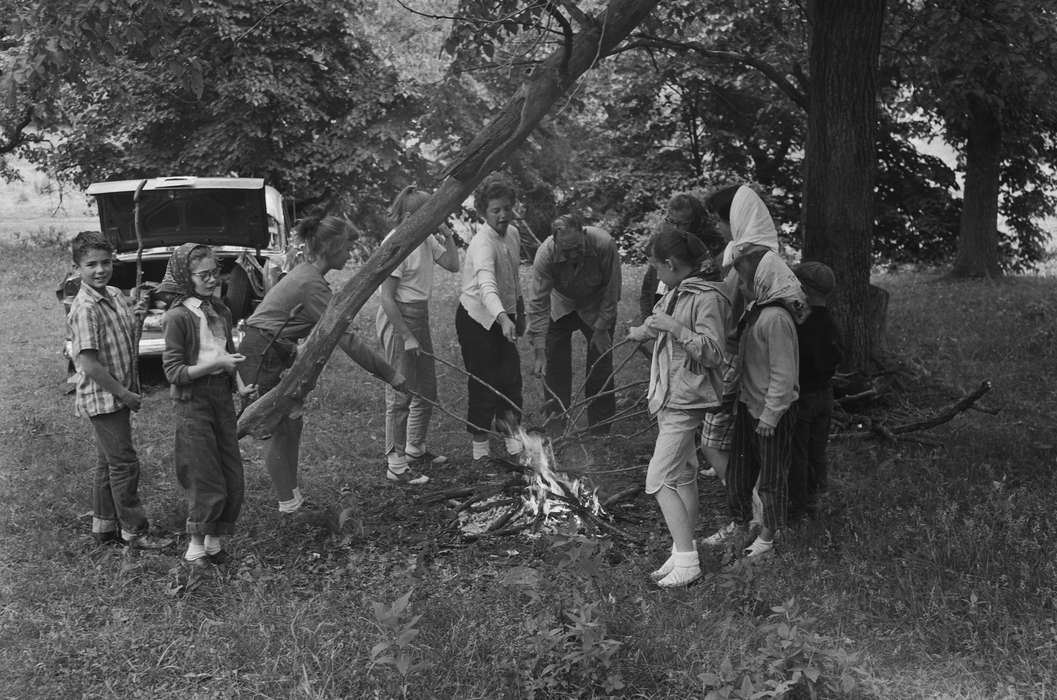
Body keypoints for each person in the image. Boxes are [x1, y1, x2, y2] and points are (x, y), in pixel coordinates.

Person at [238, 216, 405, 514]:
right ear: (331, 247)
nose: (350, 254)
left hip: (276, 348)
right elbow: (347, 340)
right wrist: (391, 374)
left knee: (292, 422)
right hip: (262, 352)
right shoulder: (311, 284)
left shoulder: (310, 275)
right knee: (276, 427)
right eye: (348, 248)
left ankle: (293, 498)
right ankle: (289, 506)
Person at [627, 223, 732, 588]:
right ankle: (680, 551)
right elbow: (662, 322)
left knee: (657, 480)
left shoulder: (707, 297)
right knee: (682, 473)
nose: (656, 275)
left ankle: (688, 563)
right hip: (670, 395)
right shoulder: (677, 291)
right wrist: (641, 332)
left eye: (657, 267)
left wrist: (675, 328)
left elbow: (714, 352)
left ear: (671, 264)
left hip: (687, 399)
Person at [66, 231, 170, 549]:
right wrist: (124, 394)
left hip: (116, 394)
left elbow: (123, 333)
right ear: (77, 268)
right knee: (124, 464)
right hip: (105, 398)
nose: (100, 270)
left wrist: (137, 313)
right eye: (91, 265)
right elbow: (89, 364)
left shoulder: (112, 294)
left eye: (105, 262)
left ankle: (104, 526)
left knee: (107, 462)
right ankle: (135, 532)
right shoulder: (85, 308)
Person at [705, 244, 807, 559]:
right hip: (748, 406)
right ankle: (740, 523)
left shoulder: (776, 319)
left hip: (771, 414)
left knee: (772, 478)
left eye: (745, 281)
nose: (740, 288)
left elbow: (784, 375)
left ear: (762, 281)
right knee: (738, 474)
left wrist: (771, 416)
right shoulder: (756, 311)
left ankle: (767, 536)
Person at [159, 243, 253, 565]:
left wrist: (240, 385)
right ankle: (195, 547)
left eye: (215, 273)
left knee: (230, 470)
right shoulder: (178, 317)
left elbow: (226, 354)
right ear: (186, 277)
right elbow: (174, 372)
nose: (212, 280)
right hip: (193, 401)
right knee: (203, 472)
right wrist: (217, 366)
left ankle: (213, 543)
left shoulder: (221, 311)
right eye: (204, 275)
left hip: (220, 398)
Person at [375, 186, 460, 485]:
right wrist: (407, 335)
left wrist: (447, 234)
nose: (436, 218)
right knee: (400, 392)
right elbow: (386, 298)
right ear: (412, 217)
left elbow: (453, 265)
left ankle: (414, 448)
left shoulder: (424, 238)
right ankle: (396, 464)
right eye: (431, 214)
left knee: (426, 389)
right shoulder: (397, 243)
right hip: (398, 318)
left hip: (418, 315)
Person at [526, 213, 621, 433]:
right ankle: (556, 426)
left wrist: (602, 327)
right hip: (561, 304)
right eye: (566, 250)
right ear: (555, 241)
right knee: (554, 366)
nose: (572, 255)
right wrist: (539, 348)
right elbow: (538, 302)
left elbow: (612, 290)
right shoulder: (545, 254)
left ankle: (600, 429)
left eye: (577, 248)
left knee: (600, 365)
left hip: (596, 305)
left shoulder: (604, 244)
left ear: (583, 233)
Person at [456, 174, 525, 465]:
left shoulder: (513, 234)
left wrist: (518, 311)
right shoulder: (482, 243)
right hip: (477, 319)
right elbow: (487, 286)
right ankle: (480, 449)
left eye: (507, 208)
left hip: (504, 316)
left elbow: (512, 277)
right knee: (484, 381)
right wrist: (502, 318)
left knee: (510, 379)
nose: (503, 215)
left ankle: (512, 438)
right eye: (496, 210)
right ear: (484, 212)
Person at [788, 261, 842, 520]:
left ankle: (799, 507)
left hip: (803, 396)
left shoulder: (801, 323)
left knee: (798, 453)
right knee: (817, 451)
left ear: (804, 288)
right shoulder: (830, 321)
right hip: (825, 394)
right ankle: (818, 498)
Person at [638, 192, 713, 321]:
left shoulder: (705, 250)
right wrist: (647, 319)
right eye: (672, 221)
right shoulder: (663, 239)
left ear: (696, 222)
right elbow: (649, 285)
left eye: (682, 223)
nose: (675, 228)